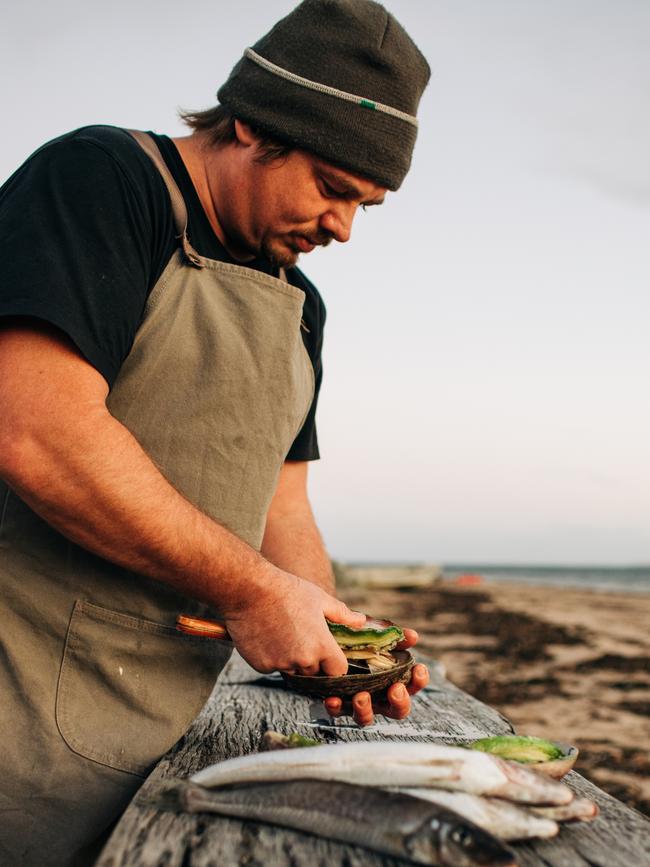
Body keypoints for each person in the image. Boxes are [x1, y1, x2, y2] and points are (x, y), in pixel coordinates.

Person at [0, 0, 431, 863]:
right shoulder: (101, 181)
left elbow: (284, 506)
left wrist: (337, 642)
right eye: (332, 187)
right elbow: (33, 427)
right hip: (18, 716)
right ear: (251, 126)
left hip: (165, 727)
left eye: (367, 204)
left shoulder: (301, 306)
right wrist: (252, 593)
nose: (345, 225)